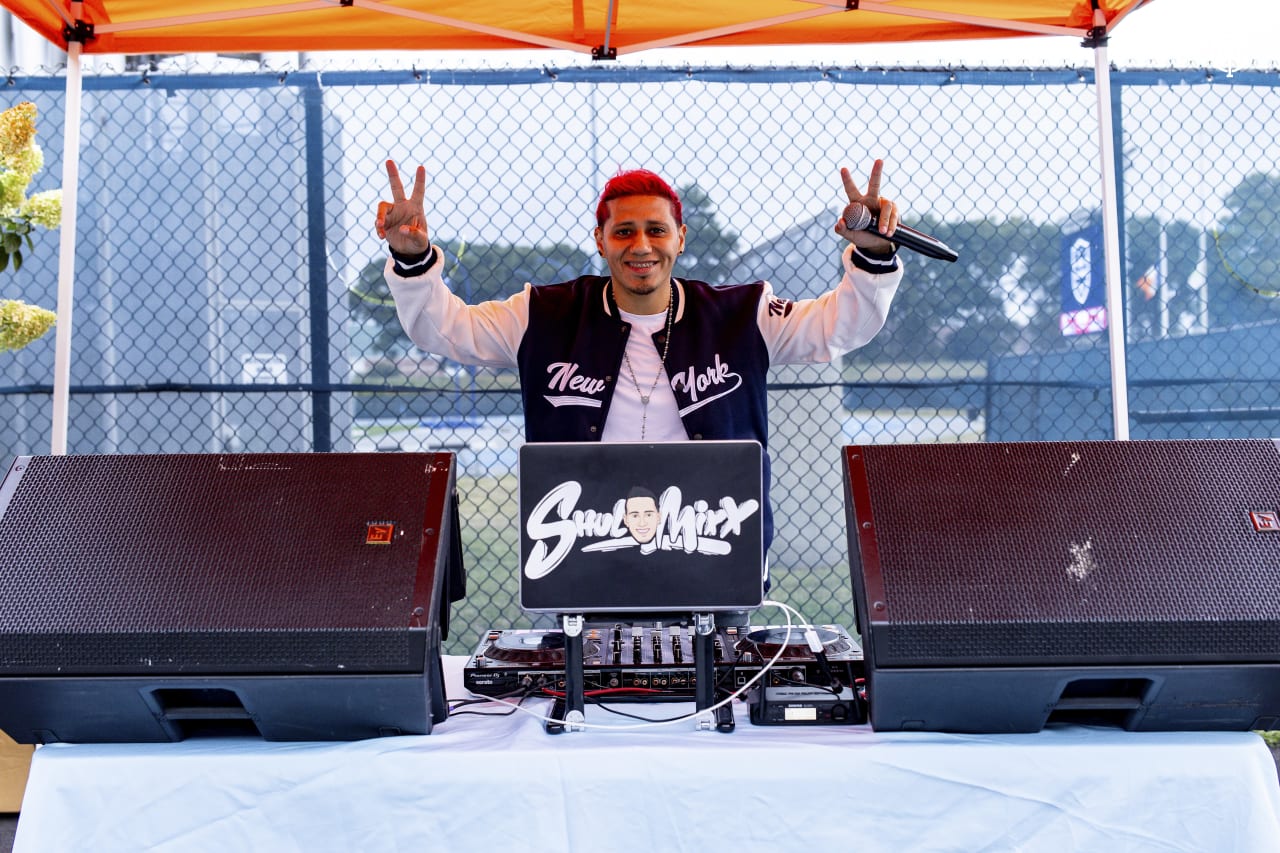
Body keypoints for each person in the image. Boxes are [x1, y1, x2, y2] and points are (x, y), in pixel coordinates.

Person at [375, 159, 905, 611]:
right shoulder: (542, 312)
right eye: (624, 231)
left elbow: (842, 325)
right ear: (601, 240)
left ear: (680, 238)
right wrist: (413, 260)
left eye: (656, 229)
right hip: (583, 564)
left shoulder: (743, 312)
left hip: (713, 560)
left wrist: (873, 257)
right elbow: (445, 329)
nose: (641, 246)